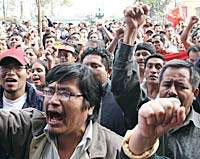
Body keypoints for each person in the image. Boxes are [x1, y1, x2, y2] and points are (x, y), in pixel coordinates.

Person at [0, 63, 174, 159]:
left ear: (90, 106)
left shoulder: (113, 148)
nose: (52, 100)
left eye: (65, 93)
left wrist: (142, 139)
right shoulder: (28, 127)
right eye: (49, 91)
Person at [81, 47, 133, 136]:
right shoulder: (75, 94)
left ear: (109, 72)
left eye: (95, 66)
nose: (88, 70)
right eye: (85, 66)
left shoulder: (120, 97)